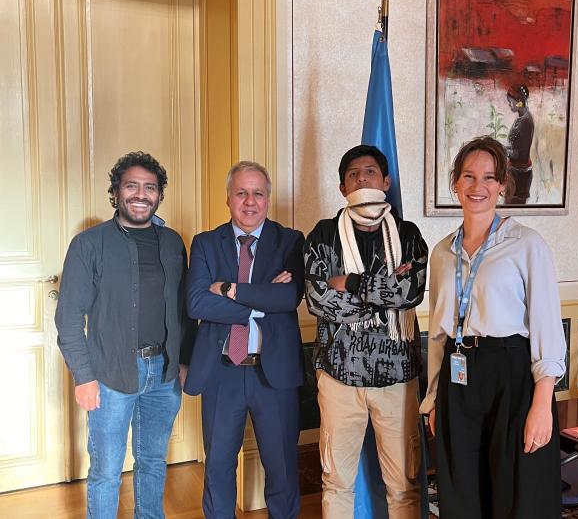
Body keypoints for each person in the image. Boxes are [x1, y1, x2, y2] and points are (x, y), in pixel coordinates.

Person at [420, 136, 566, 518]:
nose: (477, 187)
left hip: (512, 376)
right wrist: (435, 397)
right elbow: (438, 333)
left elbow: (547, 328)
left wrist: (542, 406)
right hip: (459, 376)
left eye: (488, 177)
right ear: (455, 183)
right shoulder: (442, 253)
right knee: (462, 491)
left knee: (515, 493)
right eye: (468, 176)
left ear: (502, 185)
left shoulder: (527, 245)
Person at [55, 151, 193, 519]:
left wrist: (183, 361)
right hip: (111, 373)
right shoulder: (89, 244)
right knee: (106, 472)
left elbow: (184, 309)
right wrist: (83, 377)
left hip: (163, 376)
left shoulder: (173, 242)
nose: (141, 194)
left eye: (150, 188)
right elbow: (68, 317)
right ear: (116, 192)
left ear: (160, 195)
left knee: (152, 462)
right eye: (132, 186)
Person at [304, 145, 428, 518]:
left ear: (386, 182)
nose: (362, 177)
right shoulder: (324, 235)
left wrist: (352, 282)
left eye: (370, 171)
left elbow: (411, 292)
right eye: (353, 173)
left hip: (397, 381)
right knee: (337, 483)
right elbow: (318, 300)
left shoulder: (407, 234)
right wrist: (384, 292)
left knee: (403, 486)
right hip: (339, 380)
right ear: (343, 187)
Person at [183, 161, 305, 519]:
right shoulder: (206, 243)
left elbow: (288, 299)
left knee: (281, 468)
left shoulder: (290, 241)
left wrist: (227, 290)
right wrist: (258, 301)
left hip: (274, 375)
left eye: (258, 193)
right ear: (228, 198)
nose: (249, 202)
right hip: (222, 373)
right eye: (241, 193)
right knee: (219, 467)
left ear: (268, 199)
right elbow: (196, 303)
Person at [505, 84, 535, 205]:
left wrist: (501, 150)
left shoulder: (525, 123)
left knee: (513, 207)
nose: (509, 105)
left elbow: (518, 154)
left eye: (510, 102)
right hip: (518, 173)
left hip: (520, 176)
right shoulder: (523, 118)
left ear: (518, 102)